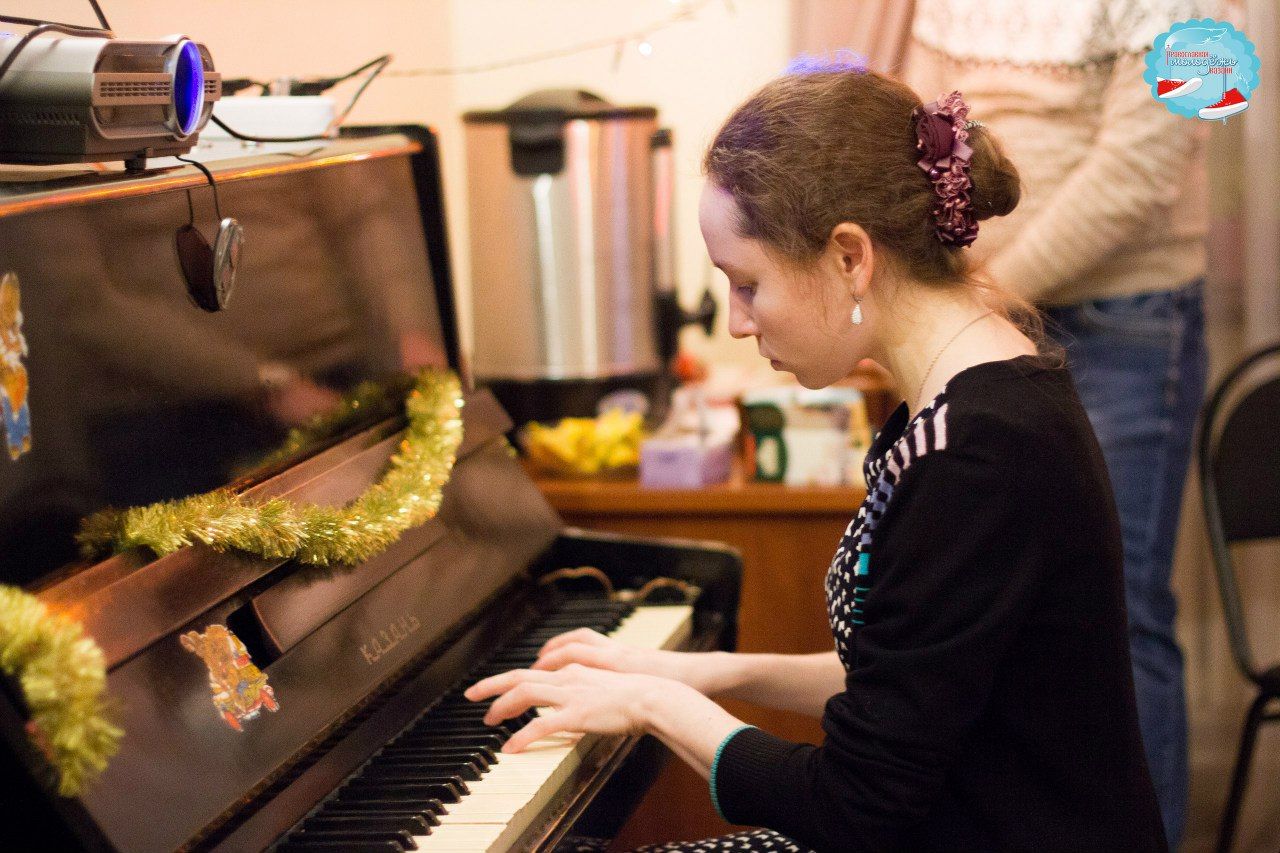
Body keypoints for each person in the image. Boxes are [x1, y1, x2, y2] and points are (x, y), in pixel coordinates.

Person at [467, 62, 1167, 852]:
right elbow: (911, 680)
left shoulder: (976, 454)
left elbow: (853, 804)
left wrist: (655, 706)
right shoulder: (973, 397)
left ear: (848, 257)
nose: (737, 323)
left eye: (747, 283)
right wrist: (699, 672)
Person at [903, 4, 1212, 845]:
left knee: (1122, 617)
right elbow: (923, 132)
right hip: (979, 308)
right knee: (993, 617)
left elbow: (1137, 171)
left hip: (1122, 320)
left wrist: (982, 294)